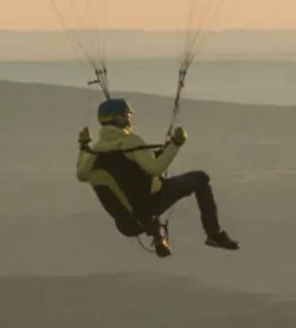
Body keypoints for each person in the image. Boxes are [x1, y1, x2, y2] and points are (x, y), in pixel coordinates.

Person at [77, 94, 237, 255]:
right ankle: (214, 235)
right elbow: (155, 168)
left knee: (136, 191)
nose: (130, 121)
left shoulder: (95, 151)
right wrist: (176, 144)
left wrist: (84, 145)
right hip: (150, 205)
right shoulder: (131, 141)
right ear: (120, 119)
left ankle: (158, 235)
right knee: (200, 178)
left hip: (126, 224)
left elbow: (82, 174)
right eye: (128, 116)